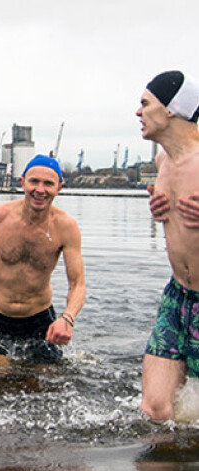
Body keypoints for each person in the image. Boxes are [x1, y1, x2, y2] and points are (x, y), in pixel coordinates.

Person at [0, 154, 86, 366]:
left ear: (59, 188)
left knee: (46, 381)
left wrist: (67, 318)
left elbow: (77, 283)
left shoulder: (66, 227)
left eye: (48, 184)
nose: (40, 190)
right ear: (23, 183)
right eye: (34, 182)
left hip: (39, 318)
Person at [137, 70, 199, 421]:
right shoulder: (161, 162)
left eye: (145, 103)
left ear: (171, 109)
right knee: (156, 409)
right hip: (178, 297)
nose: (138, 112)